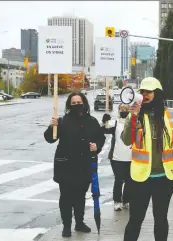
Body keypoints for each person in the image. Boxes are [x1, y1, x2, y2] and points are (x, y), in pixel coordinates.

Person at [121, 77, 173, 241]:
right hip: (140, 178)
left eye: (148, 92)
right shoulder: (135, 115)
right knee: (135, 219)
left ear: (157, 94)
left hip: (165, 177)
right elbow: (127, 140)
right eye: (142, 92)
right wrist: (133, 117)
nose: (144, 95)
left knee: (161, 218)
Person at [44, 92, 106, 238]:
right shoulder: (63, 121)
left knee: (80, 196)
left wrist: (96, 146)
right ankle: (66, 225)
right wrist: (51, 126)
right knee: (66, 196)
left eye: (79, 102)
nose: (77, 105)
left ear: (84, 103)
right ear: (69, 105)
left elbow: (100, 137)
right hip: (66, 166)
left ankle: (79, 222)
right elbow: (49, 138)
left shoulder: (92, 121)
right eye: (74, 102)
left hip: (84, 166)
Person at [102, 104, 132, 211]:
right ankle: (117, 201)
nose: (124, 110)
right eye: (122, 109)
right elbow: (104, 130)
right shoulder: (115, 123)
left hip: (131, 157)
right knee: (119, 179)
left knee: (129, 180)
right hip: (116, 157)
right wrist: (104, 121)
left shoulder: (134, 122)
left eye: (126, 109)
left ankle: (126, 200)